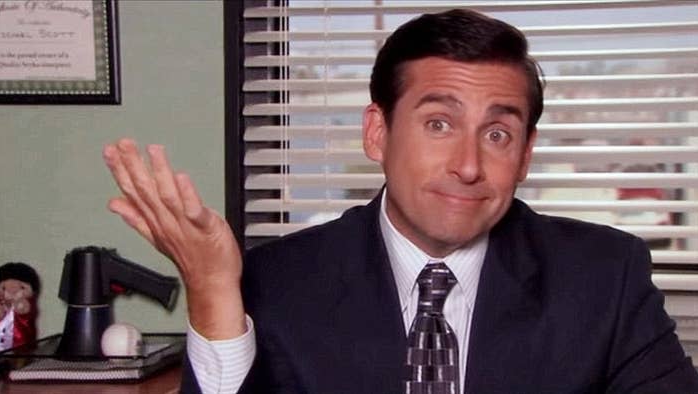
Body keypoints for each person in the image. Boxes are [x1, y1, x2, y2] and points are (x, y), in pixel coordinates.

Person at [103, 9, 698, 394]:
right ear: (377, 133)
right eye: (439, 124)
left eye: (497, 134)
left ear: (524, 154)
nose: (468, 165)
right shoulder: (277, 281)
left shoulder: (604, 277)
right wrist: (212, 293)